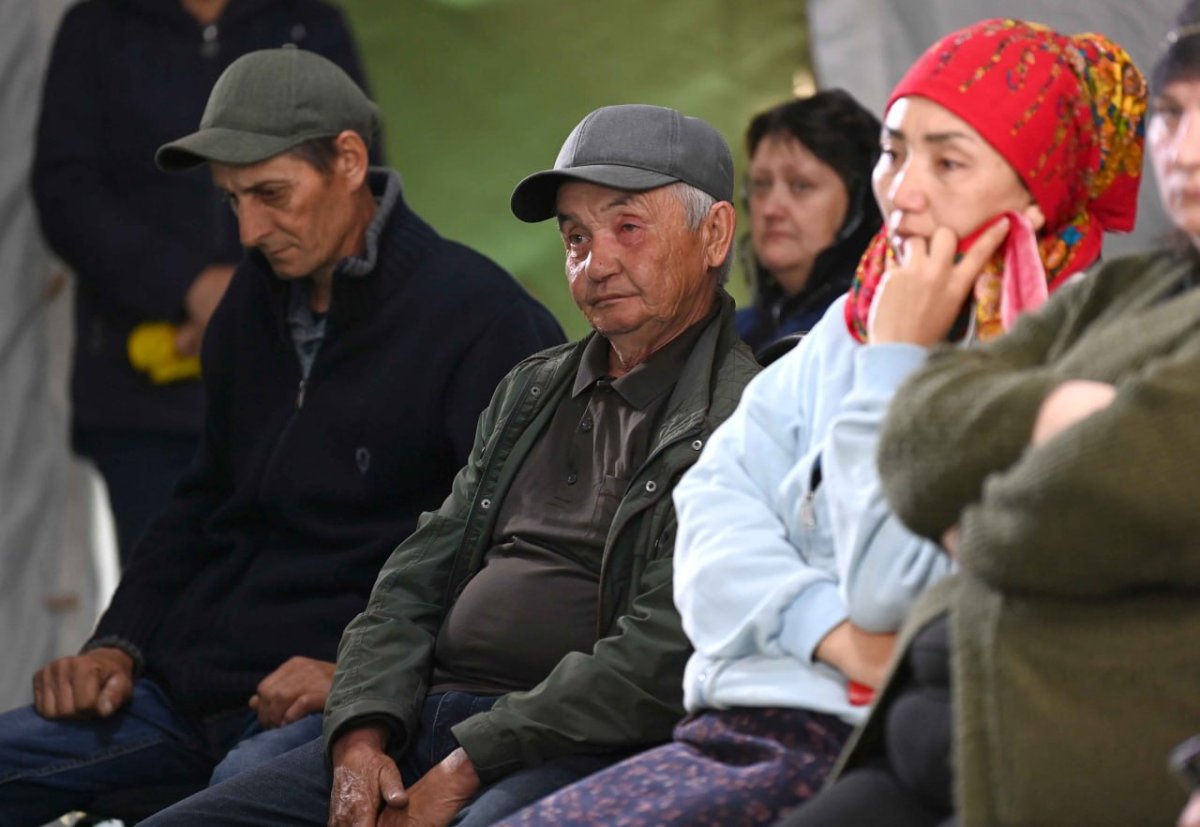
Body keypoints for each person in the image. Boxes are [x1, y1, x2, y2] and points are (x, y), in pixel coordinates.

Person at [495, 17, 1146, 827]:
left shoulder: (1070, 357)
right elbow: (711, 513)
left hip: (863, 743)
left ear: (1038, 182)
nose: (903, 191)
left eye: (948, 161)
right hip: (737, 718)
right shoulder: (851, 322)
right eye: (895, 151)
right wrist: (828, 630)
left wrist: (895, 367)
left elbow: (889, 590)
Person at [137, 102, 759, 827]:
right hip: (422, 718)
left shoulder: (746, 415)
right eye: (575, 236)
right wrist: (362, 734)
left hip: (576, 745)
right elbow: (411, 579)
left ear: (713, 234)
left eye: (627, 227)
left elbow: (660, 654)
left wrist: (469, 762)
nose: (596, 263)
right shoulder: (531, 387)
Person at [0, 45, 564, 824]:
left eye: (270, 193)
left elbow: (522, 555)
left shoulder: (481, 320)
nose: (249, 229)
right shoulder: (248, 309)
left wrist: (360, 679)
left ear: (349, 160)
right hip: (183, 688)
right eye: (231, 200)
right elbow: (202, 498)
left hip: (335, 708)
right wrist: (117, 642)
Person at [783, 17, 1200, 827]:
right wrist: (1059, 413)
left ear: (1036, 181)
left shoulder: (1069, 295)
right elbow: (908, 446)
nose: (1184, 151)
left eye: (947, 161)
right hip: (909, 726)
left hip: (1054, 755)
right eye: (1173, 116)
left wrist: (974, 513)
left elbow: (1082, 507)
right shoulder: (1121, 295)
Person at [32, 0, 374, 563]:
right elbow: (68, 194)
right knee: (162, 622)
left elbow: (353, 185)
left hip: (297, 390)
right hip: (145, 398)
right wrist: (188, 285)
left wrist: (247, 297)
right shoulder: (98, 26)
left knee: (297, 611)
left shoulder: (308, 22)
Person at [735, 90, 881, 355]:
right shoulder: (728, 336)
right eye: (761, 185)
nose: (770, 209)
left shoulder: (876, 327)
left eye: (801, 185)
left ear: (861, 203)